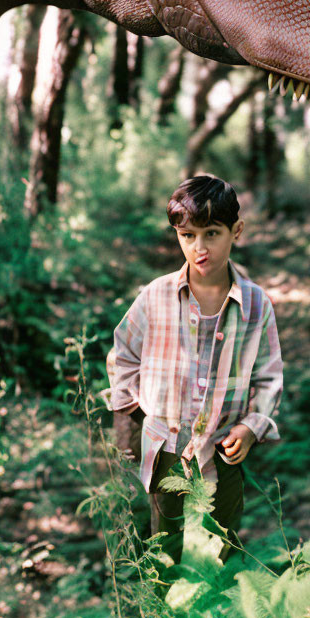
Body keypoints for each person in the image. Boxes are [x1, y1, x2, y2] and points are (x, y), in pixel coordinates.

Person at [109, 175, 283, 563]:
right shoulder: (156, 297)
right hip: (166, 445)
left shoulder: (256, 305)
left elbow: (270, 377)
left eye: (211, 233)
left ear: (236, 231)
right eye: (187, 236)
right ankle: (165, 617)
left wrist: (252, 427)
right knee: (165, 543)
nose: (199, 247)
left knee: (221, 542)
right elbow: (123, 354)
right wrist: (136, 413)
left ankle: (218, 614)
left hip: (224, 447)